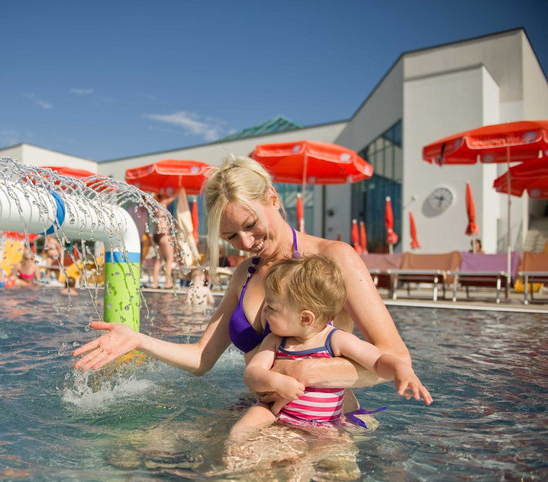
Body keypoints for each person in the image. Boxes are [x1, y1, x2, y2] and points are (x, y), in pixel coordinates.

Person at [73, 155, 412, 416]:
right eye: (231, 236)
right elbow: (202, 360)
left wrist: (307, 370)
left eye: (250, 225)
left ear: (273, 198)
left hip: (326, 422)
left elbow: (395, 360)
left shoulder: (334, 258)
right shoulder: (243, 275)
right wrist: (137, 339)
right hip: (262, 414)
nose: (247, 242)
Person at [229, 255, 432, 443]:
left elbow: (377, 361)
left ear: (305, 318)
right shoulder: (275, 340)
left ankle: (306, 467)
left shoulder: (336, 339)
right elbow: (252, 374)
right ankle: (236, 448)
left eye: (271, 308)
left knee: (334, 452)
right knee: (247, 422)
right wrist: (275, 380)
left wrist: (400, 369)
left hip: (325, 423)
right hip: (277, 413)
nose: (264, 311)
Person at [151, 192, 176, 289]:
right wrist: (180, 189)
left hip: (156, 235)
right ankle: (168, 283)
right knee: (170, 259)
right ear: (163, 198)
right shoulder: (162, 205)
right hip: (164, 235)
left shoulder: (155, 209)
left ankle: (154, 283)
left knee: (158, 260)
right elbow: (173, 197)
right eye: (166, 196)